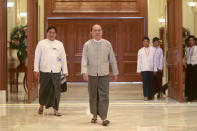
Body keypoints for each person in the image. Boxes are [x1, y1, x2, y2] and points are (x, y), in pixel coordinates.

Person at [81, 24, 119, 126]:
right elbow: (84, 59)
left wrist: (115, 72)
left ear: (102, 32)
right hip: (92, 74)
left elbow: (112, 59)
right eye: (95, 30)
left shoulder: (107, 44)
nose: (97, 32)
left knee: (104, 96)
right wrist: (84, 72)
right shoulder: (87, 45)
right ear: (91, 33)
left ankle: (104, 117)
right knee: (93, 95)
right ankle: (94, 115)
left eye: (99, 30)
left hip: (104, 74)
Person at [34, 26, 68, 116]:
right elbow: (37, 57)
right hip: (44, 71)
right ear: (47, 33)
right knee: (43, 90)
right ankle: (41, 107)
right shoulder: (41, 43)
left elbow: (63, 58)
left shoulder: (59, 44)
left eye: (53, 32)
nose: (51, 34)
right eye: (50, 32)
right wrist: (36, 70)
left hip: (56, 71)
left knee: (56, 91)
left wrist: (65, 71)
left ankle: (56, 110)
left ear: (56, 34)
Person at [185, 35, 197, 101]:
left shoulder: (196, 48)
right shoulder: (187, 49)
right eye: (189, 40)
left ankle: (193, 97)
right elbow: (186, 57)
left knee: (194, 82)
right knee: (188, 81)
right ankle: (189, 96)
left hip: (195, 66)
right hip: (189, 66)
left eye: (192, 40)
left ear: (194, 41)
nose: (191, 41)